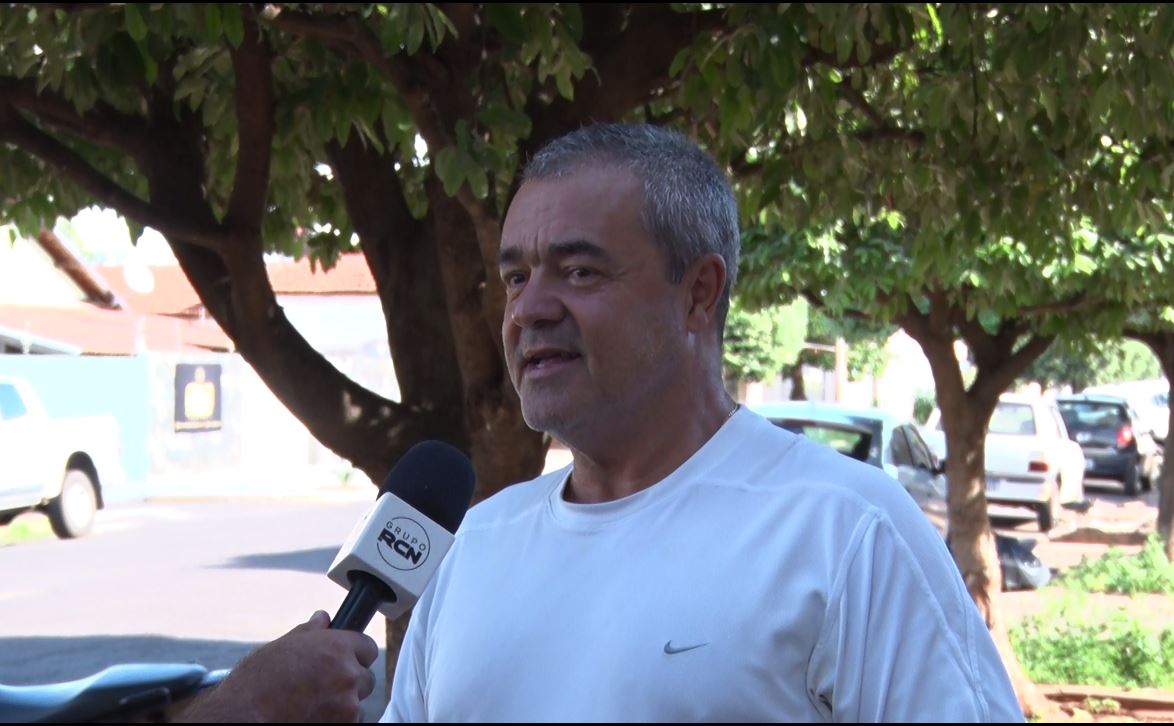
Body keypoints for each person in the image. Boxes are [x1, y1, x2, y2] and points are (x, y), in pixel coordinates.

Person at [378, 123, 1023, 722]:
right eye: (517, 277)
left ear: (699, 293)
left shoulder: (845, 530)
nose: (529, 309)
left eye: (579, 272)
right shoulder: (475, 547)